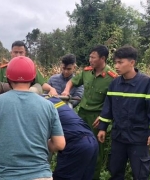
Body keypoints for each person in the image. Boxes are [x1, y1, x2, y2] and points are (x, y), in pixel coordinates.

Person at [0, 56, 65, 180]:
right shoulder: (48, 106)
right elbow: (60, 144)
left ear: (8, 78)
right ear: (33, 78)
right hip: (41, 175)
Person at [97, 46, 150, 179]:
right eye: (115, 62)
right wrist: (102, 128)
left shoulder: (146, 83)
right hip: (118, 137)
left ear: (132, 63)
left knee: (140, 174)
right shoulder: (114, 83)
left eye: (120, 62)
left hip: (139, 139)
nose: (116, 66)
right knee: (115, 171)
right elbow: (108, 107)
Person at [61, 45, 117, 179]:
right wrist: (66, 91)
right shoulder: (86, 72)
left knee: (96, 151)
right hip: (82, 115)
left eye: (93, 57)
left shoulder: (112, 78)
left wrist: (105, 118)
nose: (90, 60)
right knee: (77, 144)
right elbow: (72, 82)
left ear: (102, 59)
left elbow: (114, 102)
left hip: (97, 118)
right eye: (90, 57)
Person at [43, 95, 98, 180]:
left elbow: (55, 144)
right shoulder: (55, 101)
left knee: (62, 177)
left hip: (76, 144)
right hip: (91, 141)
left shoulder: (40, 107)